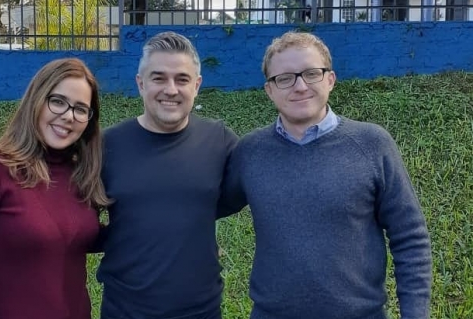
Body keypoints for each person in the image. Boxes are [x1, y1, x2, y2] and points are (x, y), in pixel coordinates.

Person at [223, 31, 432, 318]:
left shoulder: (371, 144)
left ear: (330, 80)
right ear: (269, 90)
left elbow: (410, 237)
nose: (299, 86)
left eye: (311, 73)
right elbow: (204, 204)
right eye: (284, 78)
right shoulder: (250, 152)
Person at [0, 58, 109, 319]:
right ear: (37, 100)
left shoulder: (81, 175)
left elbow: (74, 238)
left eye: (80, 108)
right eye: (58, 101)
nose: (68, 116)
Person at [96, 31, 242, 319]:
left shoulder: (220, 141)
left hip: (201, 311)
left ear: (197, 85)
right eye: (158, 78)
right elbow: (69, 218)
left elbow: (244, 192)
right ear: (141, 84)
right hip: (124, 311)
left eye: (182, 79)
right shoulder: (105, 145)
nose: (171, 89)